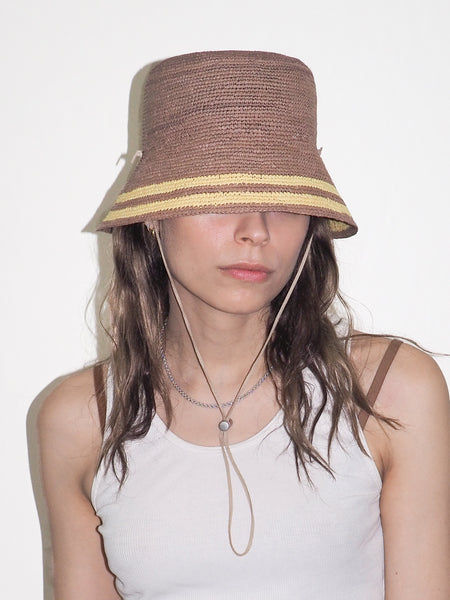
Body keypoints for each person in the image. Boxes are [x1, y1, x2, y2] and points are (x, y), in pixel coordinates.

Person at [38, 51, 449, 599]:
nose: (255, 230)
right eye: (219, 197)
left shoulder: (387, 392)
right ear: (154, 213)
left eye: (284, 201)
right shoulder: (82, 418)